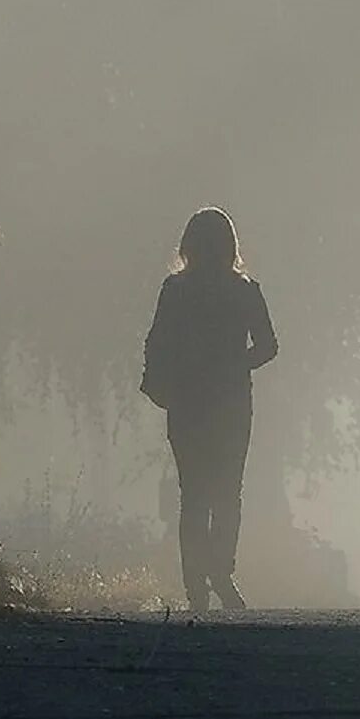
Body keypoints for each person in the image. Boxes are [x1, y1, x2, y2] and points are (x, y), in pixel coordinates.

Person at [141, 207, 278, 612]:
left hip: (186, 402)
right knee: (228, 492)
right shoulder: (245, 289)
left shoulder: (175, 290)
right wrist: (236, 364)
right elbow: (269, 346)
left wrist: (156, 382)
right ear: (231, 245)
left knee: (194, 495)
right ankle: (221, 572)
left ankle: (195, 584)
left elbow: (156, 342)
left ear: (188, 245)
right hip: (233, 403)